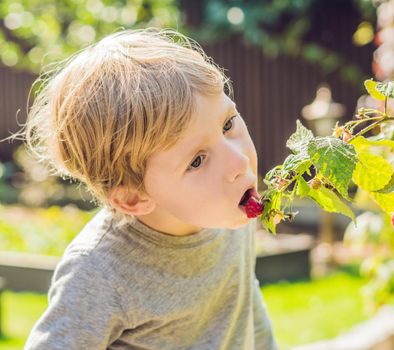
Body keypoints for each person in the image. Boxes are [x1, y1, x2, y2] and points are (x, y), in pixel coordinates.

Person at [19, 27, 277, 349]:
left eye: (227, 124)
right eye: (197, 161)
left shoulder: (229, 217)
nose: (239, 162)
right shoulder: (100, 271)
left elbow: (244, 309)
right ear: (133, 197)